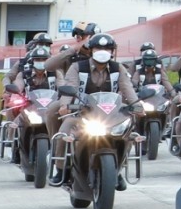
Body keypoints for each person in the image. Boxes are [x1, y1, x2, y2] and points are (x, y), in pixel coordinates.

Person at [50, 31, 141, 187]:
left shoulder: (118, 68)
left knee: (128, 131)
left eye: (107, 49)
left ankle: (117, 169)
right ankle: (61, 169)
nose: (102, 52)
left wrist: (138, 105)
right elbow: (70, 86)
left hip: (111, 115)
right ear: (91, 50)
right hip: (82, 112)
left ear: (112, 52)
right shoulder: (77, 67)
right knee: (65, 129)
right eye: (98, 48)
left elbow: (127, 88)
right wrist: (65, 104)